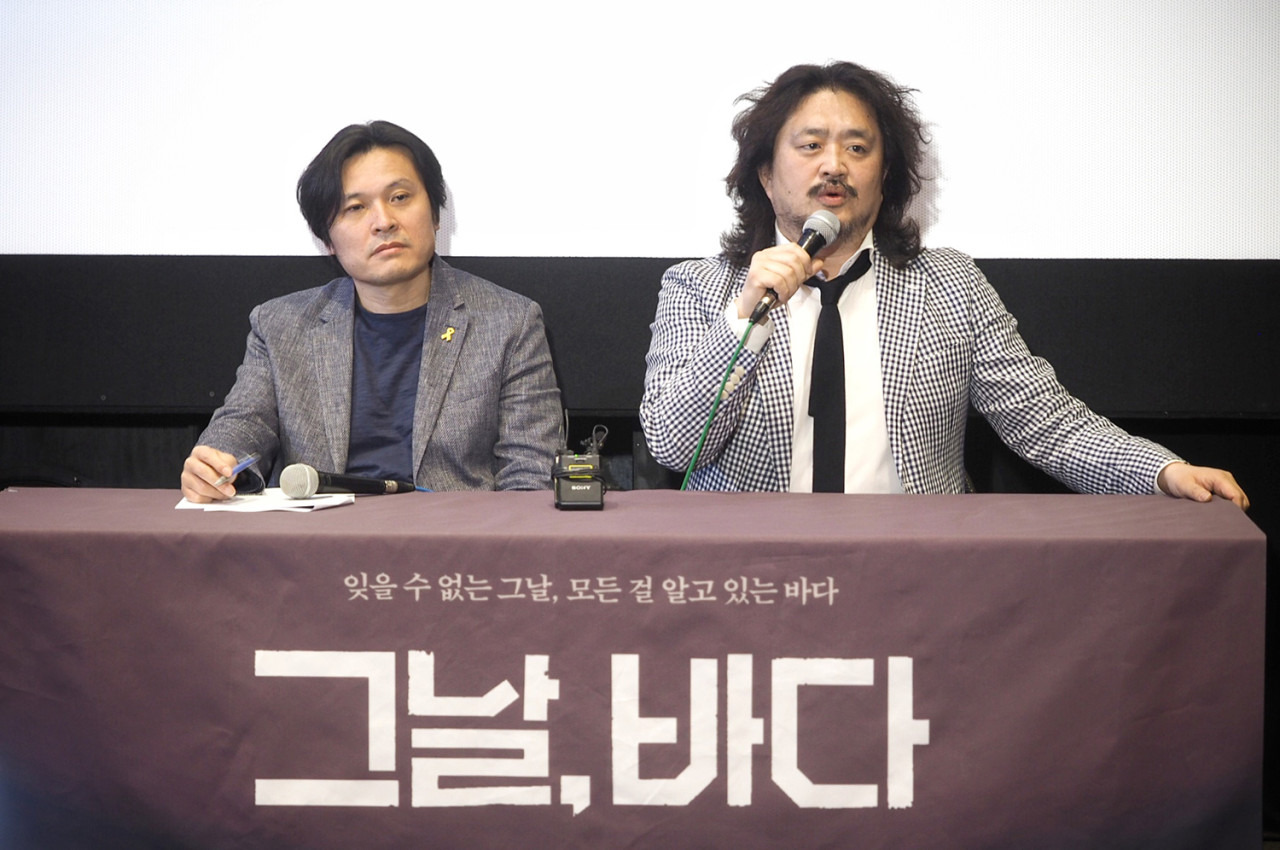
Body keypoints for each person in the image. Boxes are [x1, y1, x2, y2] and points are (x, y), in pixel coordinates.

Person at [640, 62, 1248, 508]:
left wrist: (1162, 471)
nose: (835, 165)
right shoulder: (699, 287)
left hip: (921, 580)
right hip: (758, 579)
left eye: (858, 148)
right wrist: (744, 318)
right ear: (766, 175)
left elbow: (1046, 422)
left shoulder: (949, 284)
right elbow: (672, 444)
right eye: (811, 145)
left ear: (885, 179)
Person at [181, 121, 561, 502]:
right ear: (327, 239)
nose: (384, 222)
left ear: (435, 213)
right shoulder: (281, 326)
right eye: (356, 207)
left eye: (400, 197)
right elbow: (242, 426)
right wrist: (214, 465)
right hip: (323, 533)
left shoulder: (509, 323)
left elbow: (530, 480)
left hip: (451, 535)